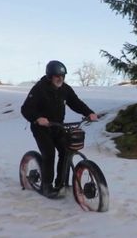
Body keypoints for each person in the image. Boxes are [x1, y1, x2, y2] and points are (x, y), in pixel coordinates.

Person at [21, 60, 98, 198]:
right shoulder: (39, 89)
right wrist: (38, 118)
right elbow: (25, 109)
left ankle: (61, 183)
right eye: (57, 76)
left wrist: (89, 113)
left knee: (66, 151)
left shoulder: (65, 89)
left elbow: (76, 103)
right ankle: (47, 186)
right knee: (49, 153)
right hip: (41, 128)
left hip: (58, 126)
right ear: (50, 76)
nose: (60, 78)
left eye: (62, 76)